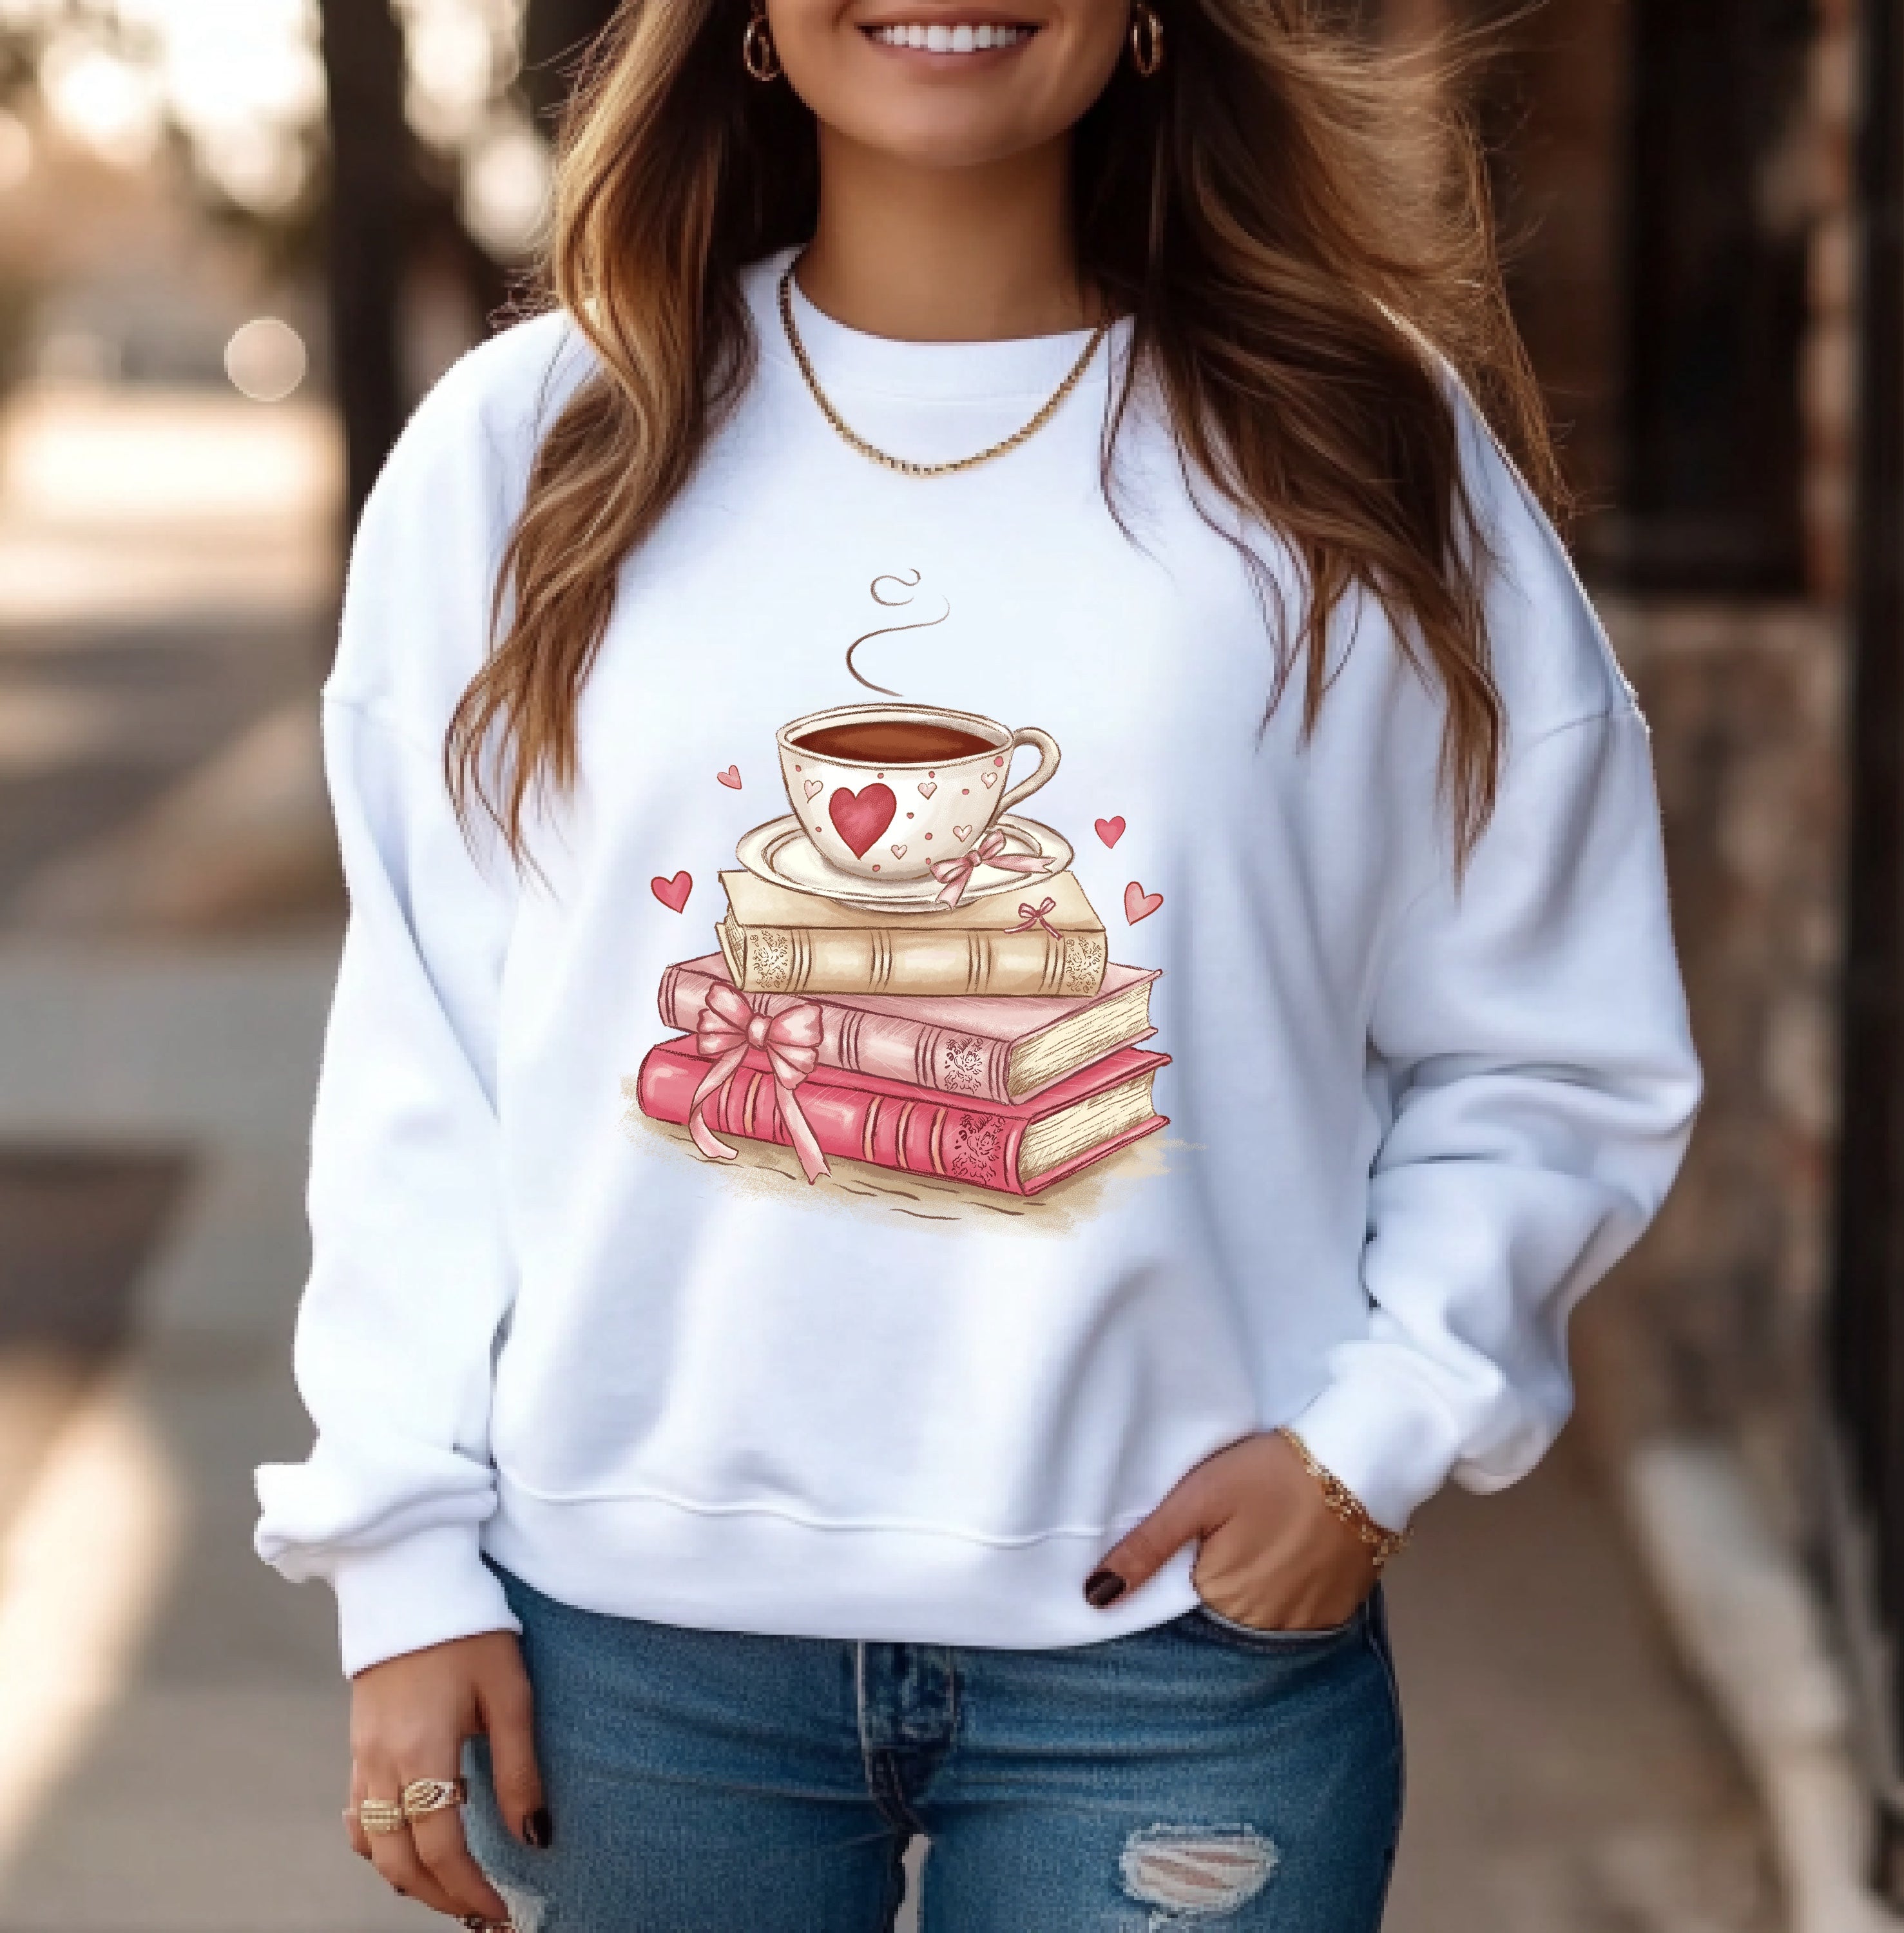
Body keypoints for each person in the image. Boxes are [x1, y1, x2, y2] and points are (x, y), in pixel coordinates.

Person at [253, 0, 1704, 1925]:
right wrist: (401, 1556)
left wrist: (1377, 1441)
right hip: (626, 1656)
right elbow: (428, 1054)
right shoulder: (531, 453)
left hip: (1178, 1664)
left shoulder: (1360, 448)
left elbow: (1554, 1040)